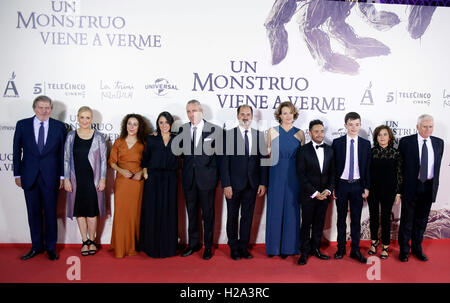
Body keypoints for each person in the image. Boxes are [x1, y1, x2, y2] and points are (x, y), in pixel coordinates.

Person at [13, 95, 67, 261]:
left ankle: (51, 248)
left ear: (51, 109)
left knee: (51, 213)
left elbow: (62, 154)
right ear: (34, 108)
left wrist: (62, 176)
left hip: (51, 176)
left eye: (47, 107)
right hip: (29, 176)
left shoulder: (59, 127)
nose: (44, 111)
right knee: (33, 213)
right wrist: (17, 173)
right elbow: (16, 151)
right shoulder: (22, 125)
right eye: (40, 107)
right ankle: (36, 247)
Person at [173, 100, 222, 260]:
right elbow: (178, 152)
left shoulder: (214, 130)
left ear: (201, 111)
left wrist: (218, 178)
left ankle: (208, 247)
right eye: (188, 111)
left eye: (194, 110)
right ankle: (193, 244)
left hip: (207, 179)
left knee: (208, 215)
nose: (191, 114)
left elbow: (220, 157)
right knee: (192, 214)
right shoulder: (183, 129)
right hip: (189, 179)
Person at [221, 105, 268, 260]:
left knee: (247, 217)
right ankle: (233, 247)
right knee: (233, 216)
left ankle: (243, 246)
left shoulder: (259, 136)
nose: (245, 117)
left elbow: (263, 161)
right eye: (242, 114)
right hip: (233, 185)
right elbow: (224, 162)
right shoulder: (228, 135)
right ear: (238, 116)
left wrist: (262, 183)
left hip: (252, 184)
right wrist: (226, 184)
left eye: (248, 114)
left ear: (252, 116)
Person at [398, 114, 444, 262]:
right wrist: (399, 189)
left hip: (429, 186)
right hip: (411, 186)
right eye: (424, 126)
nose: (428, 129)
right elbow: (399, 168)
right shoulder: (406, 142)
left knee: (422, 221)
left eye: (431, 126)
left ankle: (417, 248)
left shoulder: (439, 143)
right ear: (417, 127)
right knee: (407, 220)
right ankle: (404, 250)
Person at [63, 106, 107, 256]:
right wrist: (67, 179)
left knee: (92, 212)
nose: (85, 120)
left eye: (88, 117)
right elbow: (66, 159)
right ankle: (84, 241)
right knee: (80, 212)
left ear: (92, 119)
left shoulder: (99, 137)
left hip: (93, 181)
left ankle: (92, 240)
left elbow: (103, 160)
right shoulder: (70, 136)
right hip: (76, 180)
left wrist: (102, 178)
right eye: (82, 117)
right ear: (77, 118)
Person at [265, 101, 305, 258]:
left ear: (294, 114)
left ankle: (289, 248)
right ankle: (273, 248)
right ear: (279, 115)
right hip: (275, 174)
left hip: (294, 177)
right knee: (275, 210)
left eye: (290, 112)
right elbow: (266, 158)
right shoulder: (271, 131)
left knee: (291, 210)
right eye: (284, 113)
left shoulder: (300, 133)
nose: (288, 116)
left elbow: (303, 160)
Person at [332, 112, 370, 264]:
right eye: (351, 124)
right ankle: (341, 248)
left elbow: (367, 167)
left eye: (357, 124)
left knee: (356, 220)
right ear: (345, 125)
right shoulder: (337, 143)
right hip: (341, 185)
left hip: (357, 185)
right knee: (341, 219)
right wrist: (333, 187)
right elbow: (333, 167)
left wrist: (366, 187)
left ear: (360, 125)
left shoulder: (365, 144)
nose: (354, 127)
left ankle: (355, 250)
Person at [108, 114, 149, 258]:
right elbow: (112, 161)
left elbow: (148, 162)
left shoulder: (143, 143)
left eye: (135, 124)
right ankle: (120, 247)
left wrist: (142, 173)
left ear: (139, 127)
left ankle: (132, 247)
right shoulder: (118, 142)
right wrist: (121, 170)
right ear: (125, 125)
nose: (131, 127)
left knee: (134, 215)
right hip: (122, 181)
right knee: (121, 214)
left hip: (137, 183)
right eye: (129, 123)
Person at [296, 119, 335, 265]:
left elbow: (332, 174)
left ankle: (316, 249)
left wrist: (328, 190)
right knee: (306, 224)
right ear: (310, 133)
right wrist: (314, 193)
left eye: (322, 131)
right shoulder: (302, 150)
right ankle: (304, 252)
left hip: (324, 196)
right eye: (316, 131)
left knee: (319, 224)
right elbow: (301, 175)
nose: (320, 134)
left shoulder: (330, 150)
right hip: (308, 195)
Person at [140, 112, 179, 258]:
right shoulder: (152, 139)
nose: (164, 125)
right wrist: (145, 173)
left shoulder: (177, 139)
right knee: (152, 211)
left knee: (168, 211)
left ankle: (168, 247)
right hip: (153, 178)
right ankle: (152, 246)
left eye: (166, 122)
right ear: (158, 123)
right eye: (161, 122)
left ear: (171, 123)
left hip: (170, 178)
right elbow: (145, 158)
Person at [367, 125, 402, 260]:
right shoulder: (371, 152)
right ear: (376, 137)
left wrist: (398, 193)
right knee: (374, 217)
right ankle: (374, 242)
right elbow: (366, 173)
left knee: (386, 218)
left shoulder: (396, 153)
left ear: (390, 137)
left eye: (385, 134)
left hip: (389, 191)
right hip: (373, 191)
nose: (382, 137)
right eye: (379, 135)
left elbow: (399, 174)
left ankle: (385, 246)